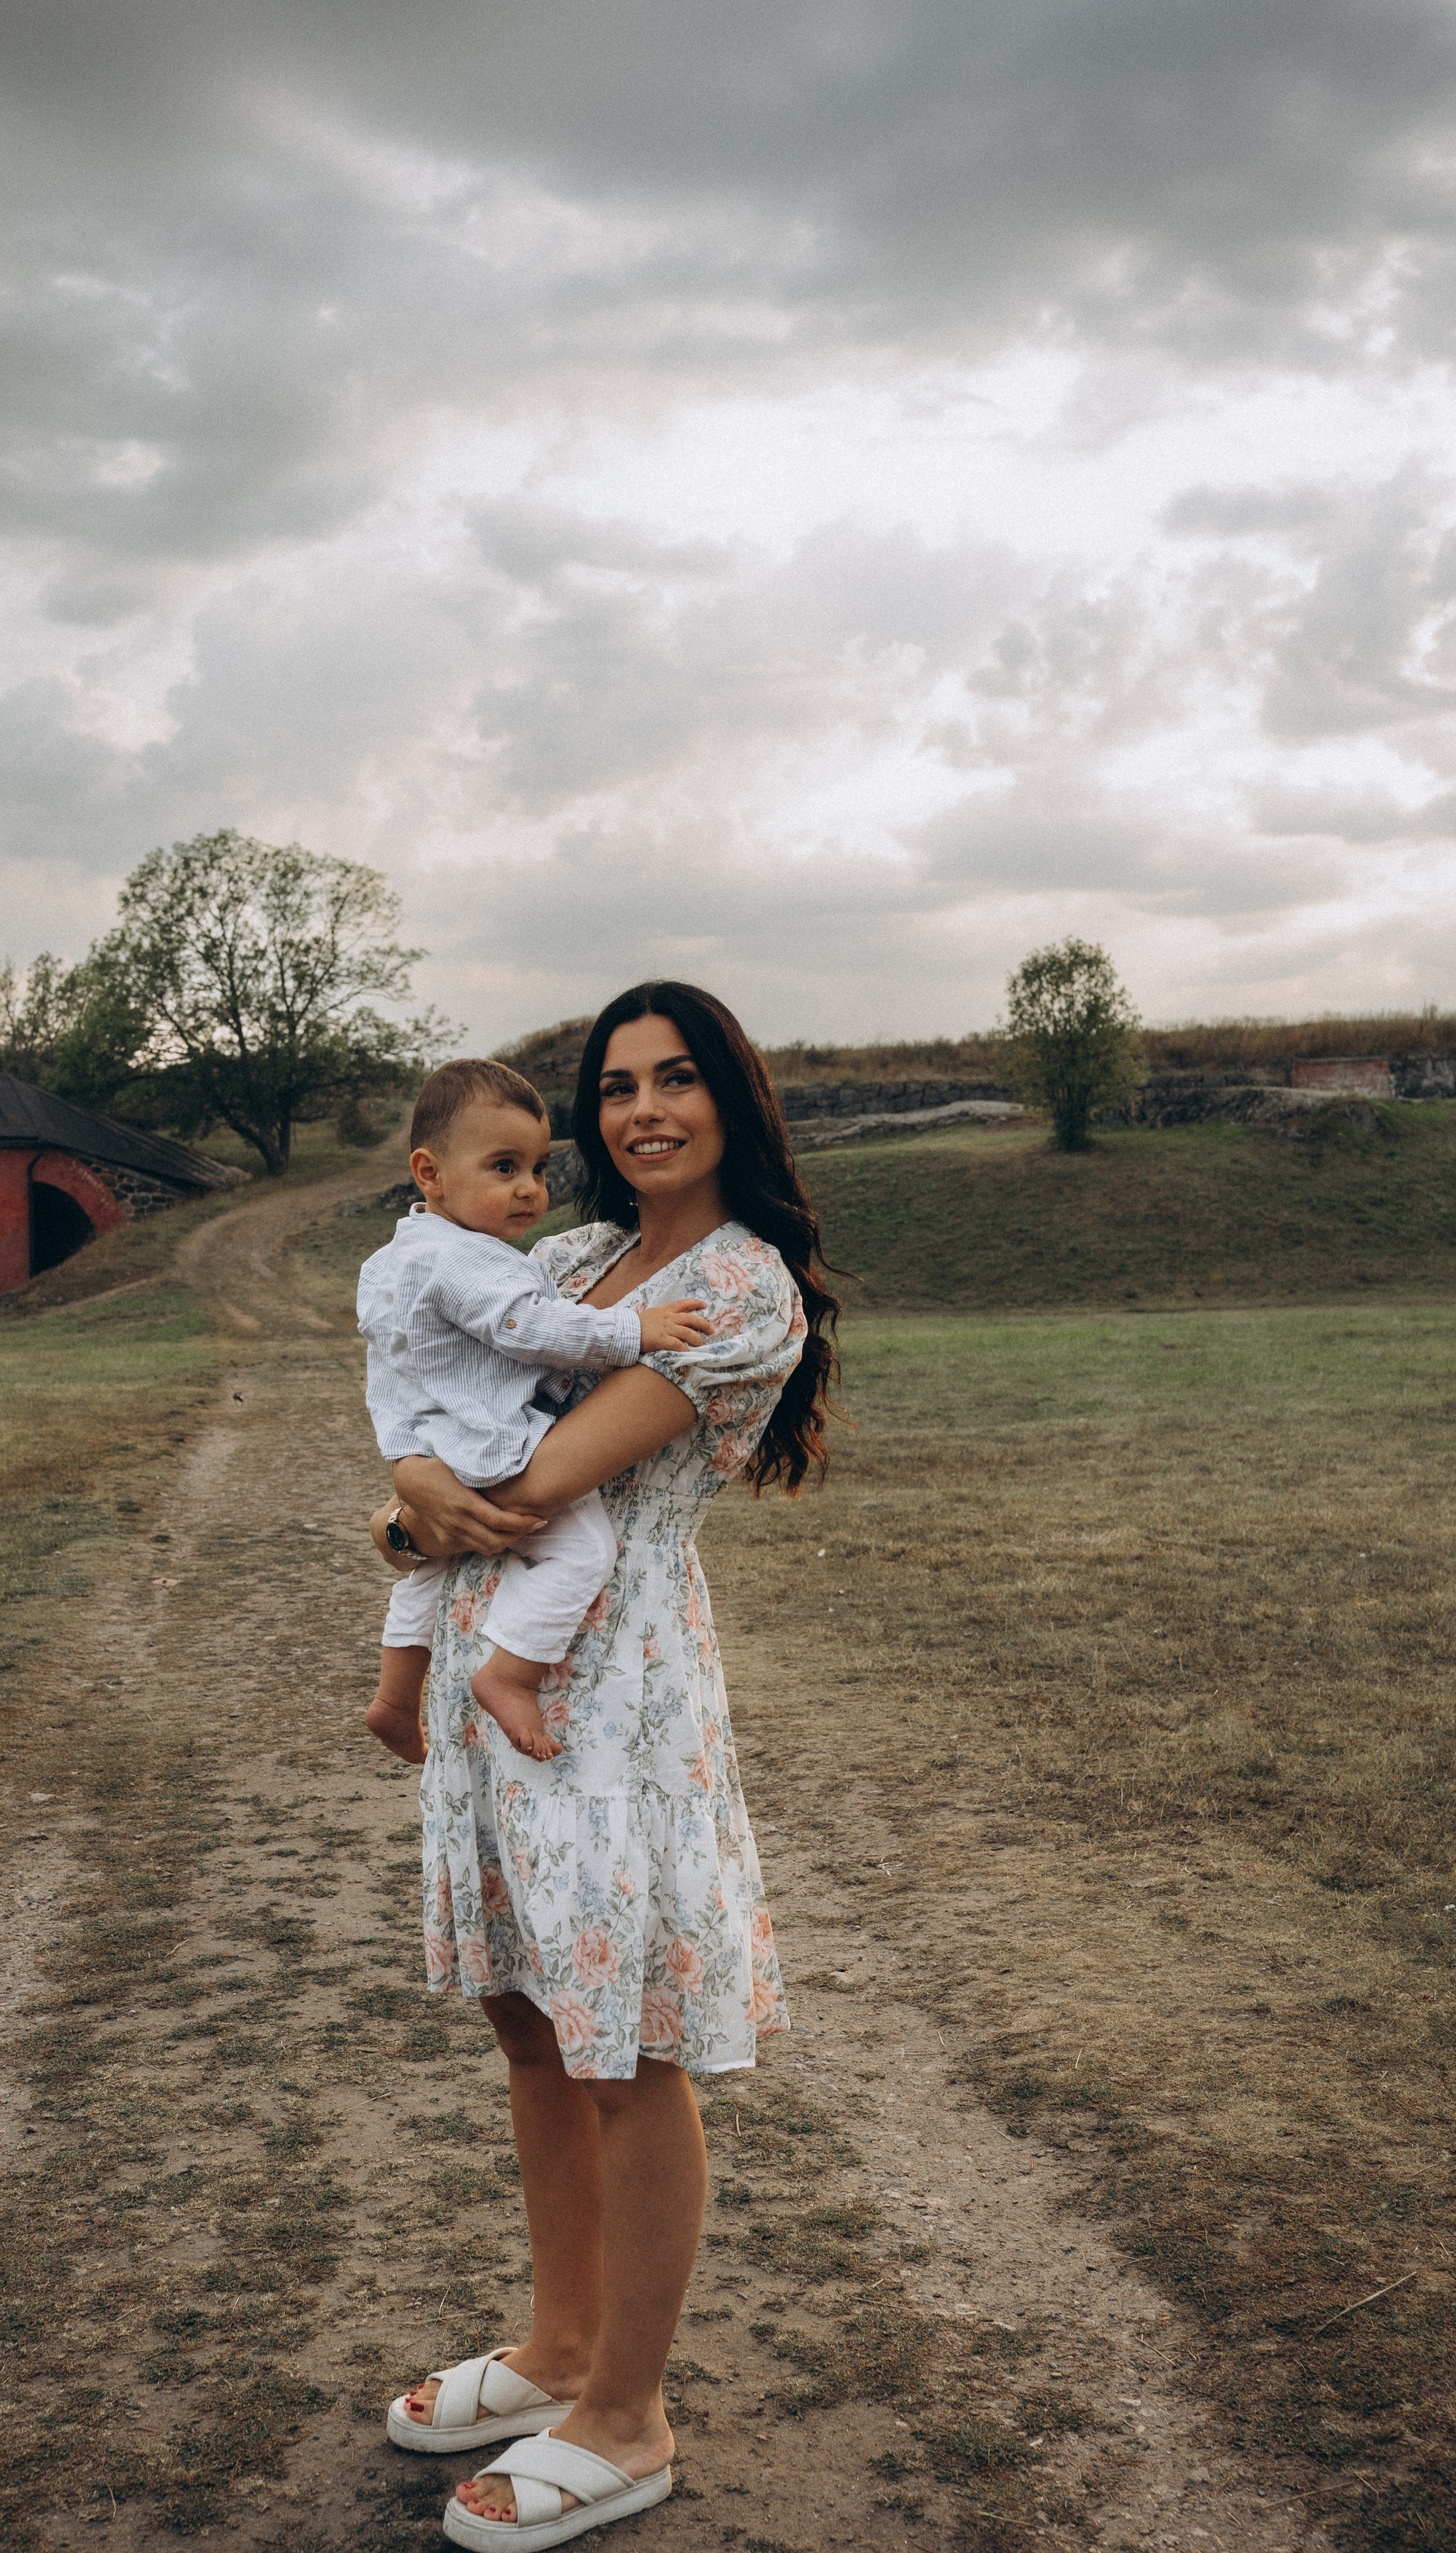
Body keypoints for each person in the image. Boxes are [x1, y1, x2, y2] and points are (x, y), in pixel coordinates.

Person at [367, 983, 840, 2548]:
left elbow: (535, 1470)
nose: (644, 1109)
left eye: (677, 1078)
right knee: (526, 2018)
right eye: (617, 1086)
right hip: (486, 1681)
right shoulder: (566, 1258)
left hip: (610, 1702)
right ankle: (558, 2346)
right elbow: (433, 1454)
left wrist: (420, 1476)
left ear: (732, 1101)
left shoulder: (738, 1288)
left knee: (624, 2039)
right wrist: (412, 1481)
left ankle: (626, 2412)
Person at [359, 1057, 715, 1764]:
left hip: (439, 1448)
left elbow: (389, 1376)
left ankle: (396, 1701)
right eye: (503, 1168)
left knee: (429, 1574)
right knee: (582, 1549)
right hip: (496, 1447)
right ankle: (509, 1674)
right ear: (429, 1174)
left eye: (538, 1170)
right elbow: (531, 1328)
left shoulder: (391, 1262)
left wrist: (407, 1464)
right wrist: (631, 1330)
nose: (528, 1190)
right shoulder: (472, 1261)